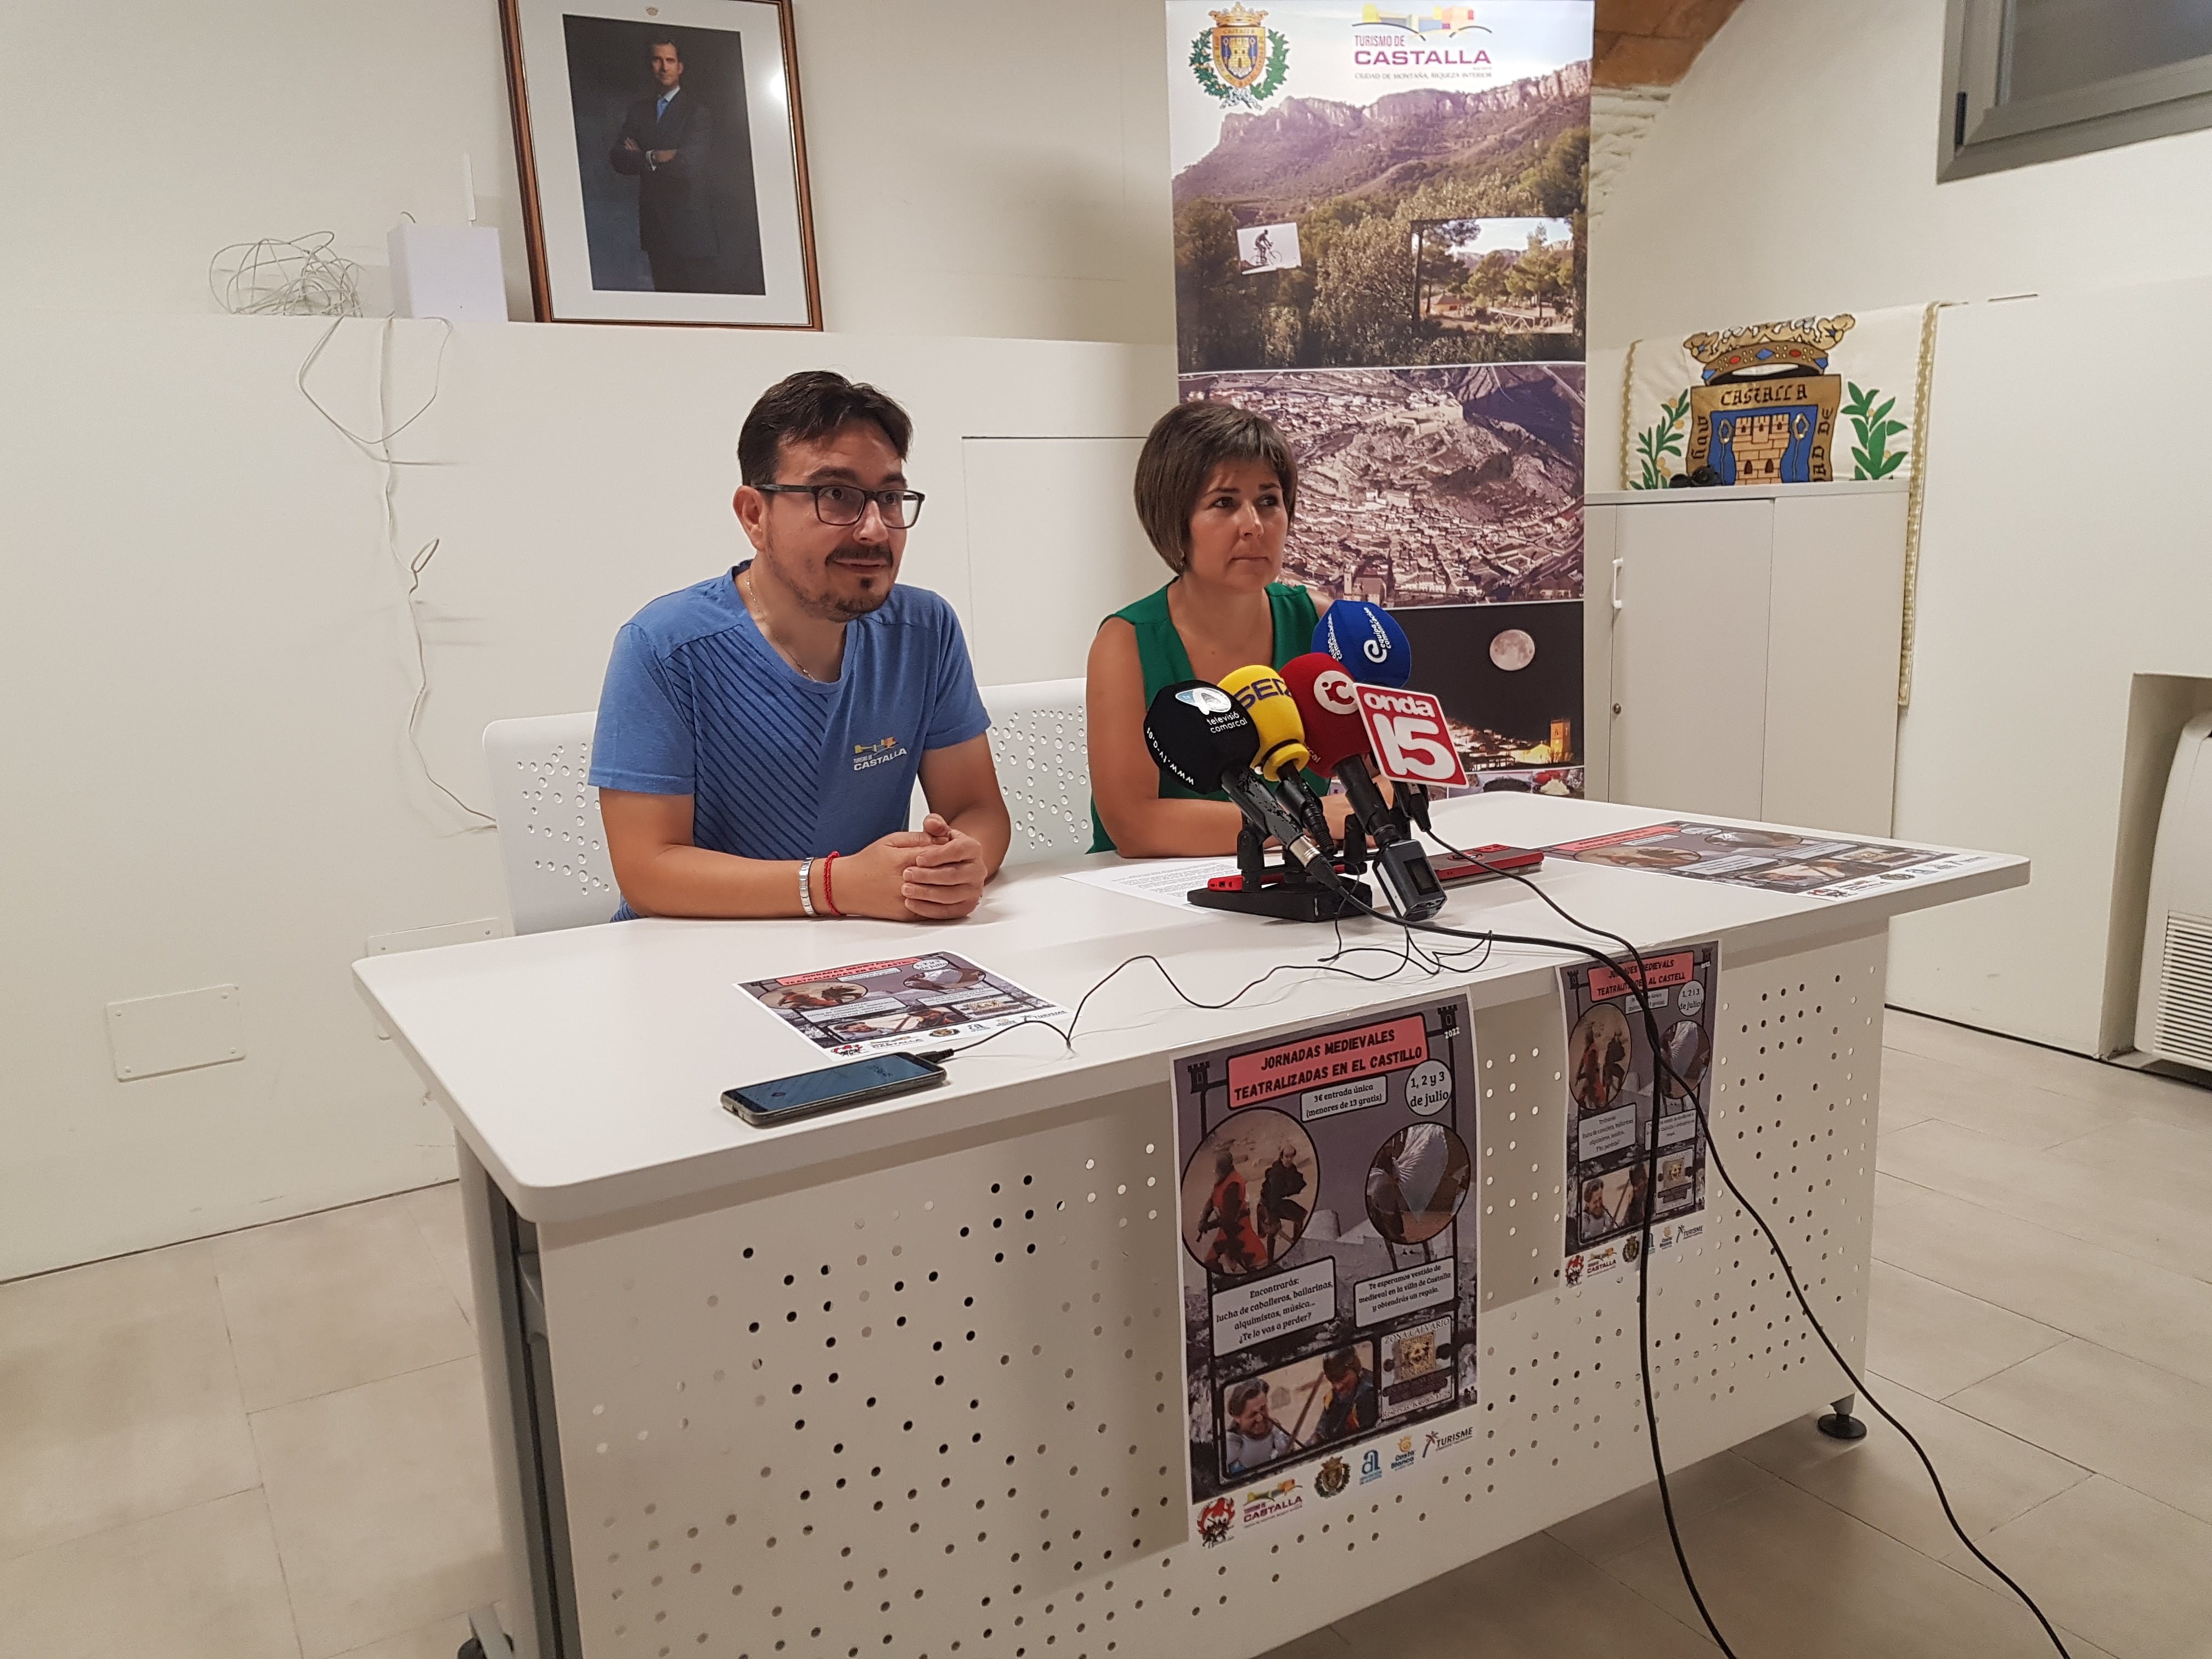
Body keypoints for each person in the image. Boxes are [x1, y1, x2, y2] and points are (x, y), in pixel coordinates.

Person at [590, 371, 1012, 921]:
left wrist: (957, 863)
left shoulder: (924, 631)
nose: (874, 529)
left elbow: (977, 810)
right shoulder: (665, 647)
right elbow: (649, 870)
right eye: (835, 496)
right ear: (754, 515)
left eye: (888, 497)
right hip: (693, 958)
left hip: (865, 954)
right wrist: (835, 886)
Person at [1086, 400, 1361, 855]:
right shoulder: (1126, 642)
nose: (1254, 526)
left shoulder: (1321, 623)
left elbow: (1382, 782)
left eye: (1269, 501)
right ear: (1175, 522)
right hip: (1155, 897)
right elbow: (1135, 825)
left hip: (1304, 879)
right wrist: (1306, 820)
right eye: (1224, 504)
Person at [609, 37, 718, 292]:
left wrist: (641, 157)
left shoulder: (696, 113)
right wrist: (655, 156)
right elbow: (618, 158)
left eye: (670, 60)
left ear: (680, 67)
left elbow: (687, 169)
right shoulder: (639, 112)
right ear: (650, 65)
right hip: (655, 229)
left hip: (691, 233)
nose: (664, 67)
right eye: (658, 60)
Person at [1197, 1146, 1266, 1276]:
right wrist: (1203, 1220)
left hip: (1238, 1230)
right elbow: (1212, 1200)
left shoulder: (1232, 1185)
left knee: (1252, 1264)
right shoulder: (1224, 1180)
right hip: (1228, 1230)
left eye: (1217, 1167)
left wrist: (1208, 1225)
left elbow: (1229, 1217)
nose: (1215, 1170)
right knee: (1214, 1261)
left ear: (1223, 1167)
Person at [1222, 1381, 1293, 1476]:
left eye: (1263, 1409)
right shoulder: (1233, 1442)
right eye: (1253, 1414)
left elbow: (1288, 1454)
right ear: (1238, 1418)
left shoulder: (1275, 1429)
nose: (1260, 1418)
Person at [1257, 1145, 1307, 1261]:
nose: (1289, 1159)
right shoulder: (1276, 1173)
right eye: (1286, 1156)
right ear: (1281, 1156)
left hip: (1278, 1202)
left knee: (1300, 1215)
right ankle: (1270, 1260)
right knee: (1273, 1230)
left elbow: (1295, 1184)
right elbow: (1272, 1195)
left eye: (1291, 1156)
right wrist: (1271, 1217)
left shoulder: (1291, 1169)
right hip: (1267, 1204)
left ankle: (1296, 1243)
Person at [1315, 1350, 1378, 1441]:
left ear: (1355, 1369)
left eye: (1342, 1378)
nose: (1338, 1386)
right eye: (1332, 1380)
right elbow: (1321, 1431)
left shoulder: (1368, 1397)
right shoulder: (1332, 1397)